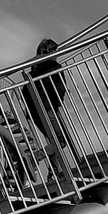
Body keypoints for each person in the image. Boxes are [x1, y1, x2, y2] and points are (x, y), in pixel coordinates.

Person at [21, 38, 71, 176]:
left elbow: (25, 92)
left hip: (34, 112)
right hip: (48, 108)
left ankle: (55, 172)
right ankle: (35, 157)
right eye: (56, 50)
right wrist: (56, 104)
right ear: (52, 52)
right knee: (61, 141)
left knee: (53, 140)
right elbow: (60, 89)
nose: (57, 53)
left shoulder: (32, 73)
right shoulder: (54, 68)